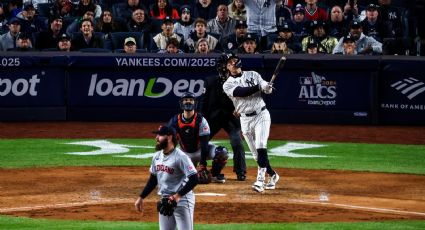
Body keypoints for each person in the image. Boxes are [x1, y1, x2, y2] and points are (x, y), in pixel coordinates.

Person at [222, 53, 279, 193]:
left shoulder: (253, 74)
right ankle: (273, 175)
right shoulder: (227, 84)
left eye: (234, 60)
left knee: (261, 146)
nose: (233, 64)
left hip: (261, 115)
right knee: (255, 154)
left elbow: (266, 87)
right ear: (227, 67)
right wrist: (259, 87)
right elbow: (242, 92)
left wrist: (267, 87)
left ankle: (260, 180)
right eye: (230, 63)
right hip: (245, 119)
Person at [134, 125, 198, 230]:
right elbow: (153, 179)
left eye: (160, 135)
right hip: (165, 200)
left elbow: (194, 178)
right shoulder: (157, 156)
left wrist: (177, 197)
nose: (156, 138)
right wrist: (141, 197)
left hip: (182, 201)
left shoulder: (181, 157)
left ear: (169, 137)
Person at [200, 54, 247, 181]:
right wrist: (201, 120)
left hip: (230, 119)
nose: (223, 67)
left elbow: (243, 101)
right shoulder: (209, 81)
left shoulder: (238, 81)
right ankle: (199, 168)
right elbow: (203, 102)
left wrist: (240, 111)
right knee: (200, 142)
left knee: (237, 142)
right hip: (212, 119)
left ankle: (240, 171)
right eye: (221, 64)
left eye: (225, 64)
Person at [168, 92, 229, 183]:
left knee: (222, 152)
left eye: (191, 100)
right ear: (181, 103)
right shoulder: (175, 120)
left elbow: (204, 143)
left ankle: (213, 174)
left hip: (201, 151)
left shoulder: (201, 120)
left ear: (195, 103)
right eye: (185, 100)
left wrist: (203, 163)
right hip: (185, 153)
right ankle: (188, 172)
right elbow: (169, 141)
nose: (188, 102)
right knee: (171, 175)